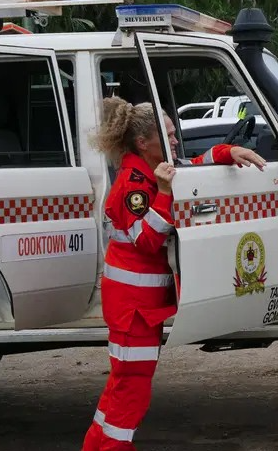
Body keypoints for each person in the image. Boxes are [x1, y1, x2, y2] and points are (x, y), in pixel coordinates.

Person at [82, 97, 266, 451]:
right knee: (131, 386)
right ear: (143, 142)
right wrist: (164, 194)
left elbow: (194, 164)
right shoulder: (132, 185)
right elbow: (147, 240)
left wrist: (229, 153)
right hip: (132, 309)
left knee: (125, 384)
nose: (175, 141)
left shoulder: (153, 168)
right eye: (167, 135)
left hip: (139, 308)